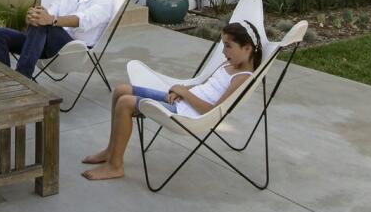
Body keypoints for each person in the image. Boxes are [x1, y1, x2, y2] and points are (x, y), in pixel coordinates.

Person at [81, 21, 263, 182]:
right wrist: (181, 91)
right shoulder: (228, 65)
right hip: (184, 101)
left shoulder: (242, 78)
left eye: (228, 46)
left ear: (247, 48)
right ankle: (109, 150)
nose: (223, 51)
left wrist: (185, 93)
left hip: (190, 114)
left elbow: (213, 110)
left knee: (125, 103)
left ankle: (115, 165)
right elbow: (203, 86)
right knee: (121, 90)